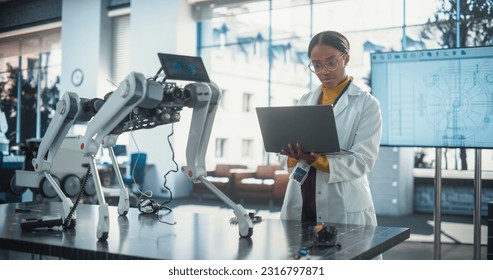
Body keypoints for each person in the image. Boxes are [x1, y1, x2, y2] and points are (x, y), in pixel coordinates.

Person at [279, 30, 382, 227]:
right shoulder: (304, 101)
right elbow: (285, 159)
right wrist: (292, 154)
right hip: (301, 197)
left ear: (346, 58)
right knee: (297, 253)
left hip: (343, 204)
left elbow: (363, 160)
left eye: (331, 62)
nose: (324, 71)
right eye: (316, 65)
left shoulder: (366, 105)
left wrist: (319, 161)